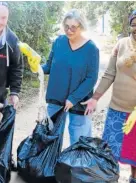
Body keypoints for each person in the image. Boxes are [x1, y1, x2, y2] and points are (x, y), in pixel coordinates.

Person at [83, 8, 136, 183]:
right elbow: (109, 74)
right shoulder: (122, 44)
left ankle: (134, 179)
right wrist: (95, 97)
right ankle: (110, 177)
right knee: (111, 149)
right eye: (133, 24)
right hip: (117, 108)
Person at [42, 9, 99, 145]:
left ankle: (76, 167)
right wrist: (36, 67)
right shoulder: (58, 42)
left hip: (79, 101)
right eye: (66, 26)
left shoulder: (91, 49)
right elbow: (49, 66)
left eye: (73, 27)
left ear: (82, 27)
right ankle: (52, 165)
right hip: (56, 99)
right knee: (51, 138)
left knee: (79, 141)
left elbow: (91, 78)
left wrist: (73, 98)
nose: (69, 30)